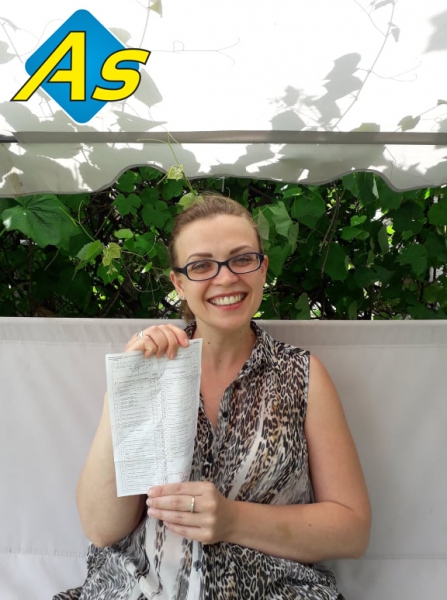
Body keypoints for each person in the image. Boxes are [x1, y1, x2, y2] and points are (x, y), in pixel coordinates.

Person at [55, 193, 371, 600]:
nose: (225, 278)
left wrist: (232, 520)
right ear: (179, 283)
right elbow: (101, 528)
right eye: (201, 265)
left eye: (242, 259)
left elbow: (352, 530)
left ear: (262, 269)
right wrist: (124, 393)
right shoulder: (152, 369)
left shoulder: (302, 375)